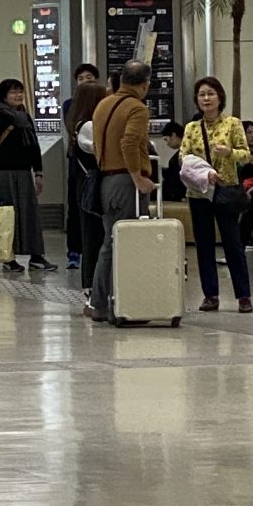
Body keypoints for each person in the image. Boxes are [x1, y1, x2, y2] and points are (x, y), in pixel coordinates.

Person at [86, 60, 153, 323]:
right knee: (128, 243)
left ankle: (99, 303)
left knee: (110, 243)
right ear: (145, 84)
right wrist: (138, 178)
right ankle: (124, 307)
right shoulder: (137, 108)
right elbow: (129, 143)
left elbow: (96, 144)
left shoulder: (103, 105)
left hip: (105, 182)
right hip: (127, 183)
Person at [181, 75, 253, 314]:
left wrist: (229, 152)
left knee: (233, 244)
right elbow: (183, 157)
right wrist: (203, 172)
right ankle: (210, 295)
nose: (206, 98)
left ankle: (243, 295)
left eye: (211, 93)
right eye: (202, 94)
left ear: (220, 97)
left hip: (226, 190)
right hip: (199, 192)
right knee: (203, 245)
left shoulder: (232, 124)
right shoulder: (191, 128)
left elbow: (245, 155)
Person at [0, 78, 52, 275]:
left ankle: (36, 256)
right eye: (13, 92)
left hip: (24, 173)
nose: (18, 95)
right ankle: (8, 258)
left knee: (30, 215)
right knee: (7, 217)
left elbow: (34, 147)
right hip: (4, 174)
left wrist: (38, 173)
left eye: (20, 91)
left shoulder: (25, 118)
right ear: (3, 96)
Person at [67, 73, 111, 279]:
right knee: (93, 233)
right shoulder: (88, 126)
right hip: (91, 184)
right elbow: (104, 150)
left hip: (84, 183)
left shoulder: (78, 123)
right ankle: (92, 281)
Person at [64, 64, 100, 268]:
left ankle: (89, 253)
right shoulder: (70, 105)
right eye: (81, 78)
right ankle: (74, 251)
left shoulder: (103, 103)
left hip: (94, 167)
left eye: (90, 77)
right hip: (80, 165)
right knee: (77, 208)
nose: (86, 81)